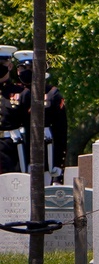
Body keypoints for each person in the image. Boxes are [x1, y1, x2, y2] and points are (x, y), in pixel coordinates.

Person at [13, 50, 67, 184]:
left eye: (30, 67)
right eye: (23, 68)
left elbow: (61, 132)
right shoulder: (16, 93)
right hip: (20, 153)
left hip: (46, 153)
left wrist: (58, 164)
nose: (26, 71)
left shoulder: (52, 94)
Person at [0, 45, 29, 174]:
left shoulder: (22, 93)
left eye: (2, 63)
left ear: (10, 66)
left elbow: (29, 129)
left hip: (11, 149)